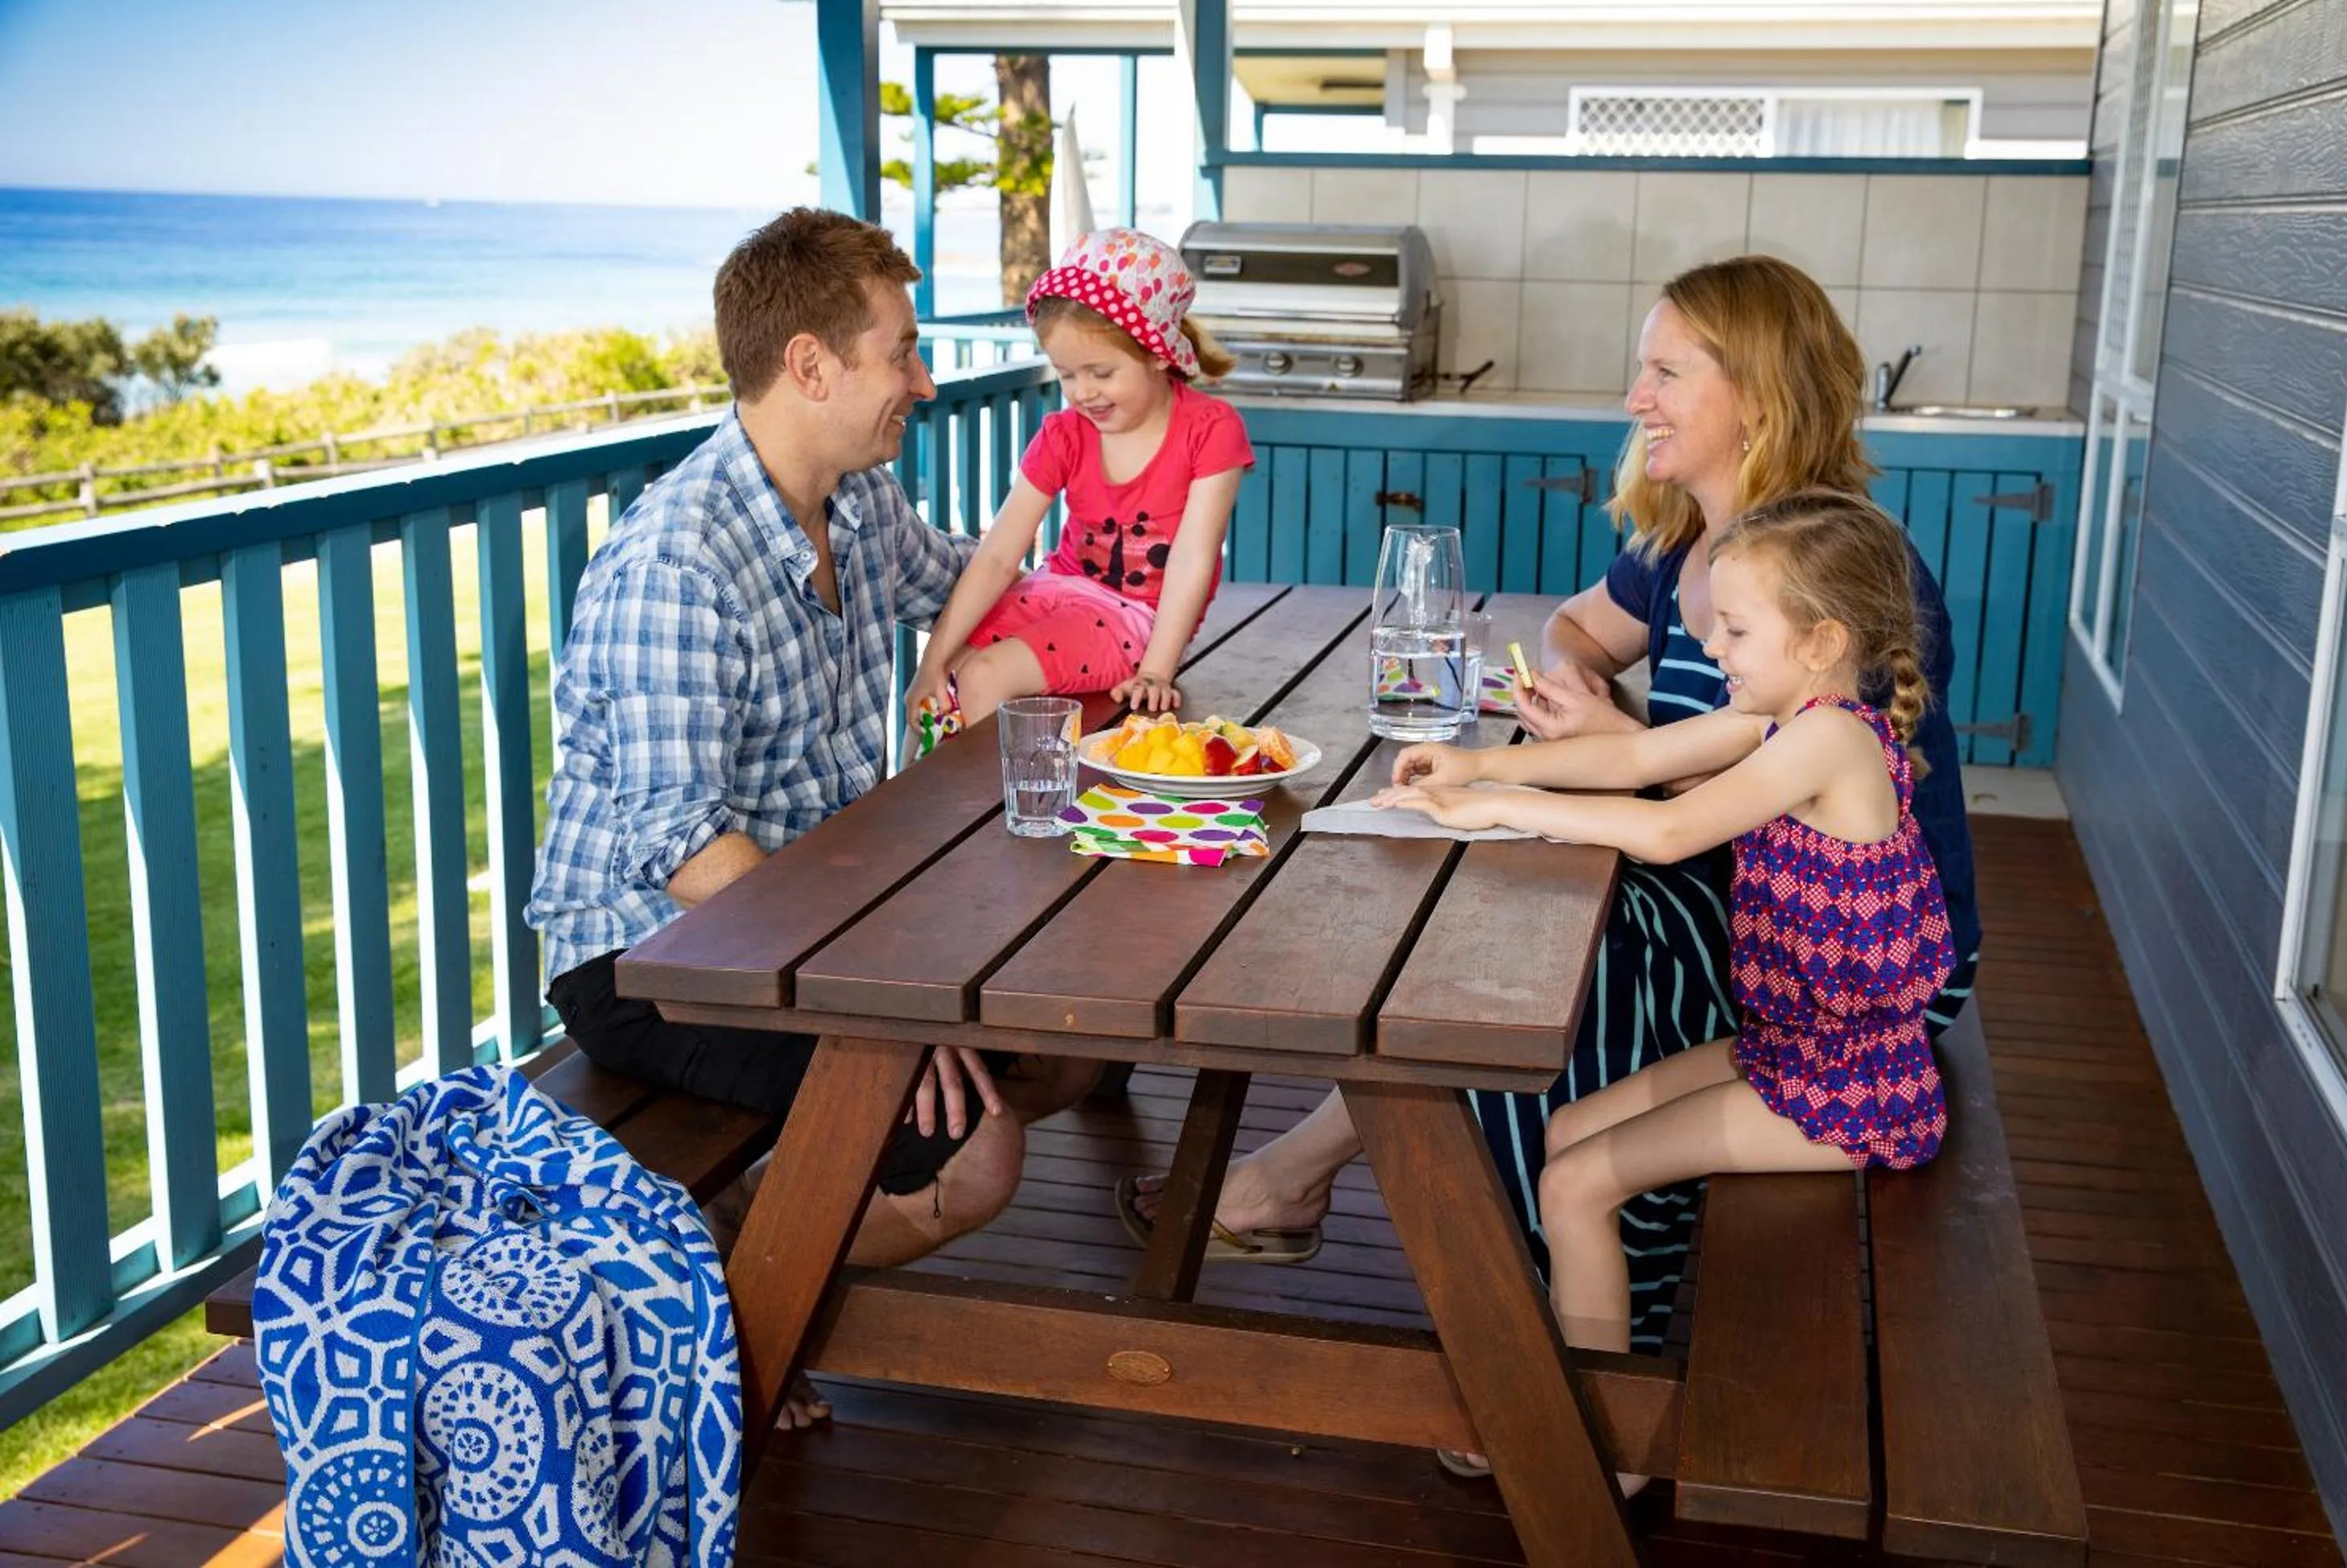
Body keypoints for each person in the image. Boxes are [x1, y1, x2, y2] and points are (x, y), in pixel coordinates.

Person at [1118, 255, 1982, 1341]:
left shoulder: (1836, 578)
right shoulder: (1687, 549)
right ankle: (1516, 1277)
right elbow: (1579, 638)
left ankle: (1561, 1311)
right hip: (1741, 901)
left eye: (1664, 373)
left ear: (1757, 396)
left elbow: (1735, 806)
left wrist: (1612, 750)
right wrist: (1544, 733)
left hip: (1856, 974)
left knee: (1545, 954)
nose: (1635, 401)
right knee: (1512, 918)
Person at [526, 209, 1101, 1423]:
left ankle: (745, 1218)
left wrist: (1131, 619)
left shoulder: (853, 502)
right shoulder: (676, 565)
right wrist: (878, 997)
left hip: (817, 921)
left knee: (1069, 1039)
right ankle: (721, 1330)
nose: (924, 379)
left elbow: (979, 582)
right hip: (653, 956)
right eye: (900, 350)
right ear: (810, 365)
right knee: (982, 1153)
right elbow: (681, 852)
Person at [1379, 490, 1955, 1485]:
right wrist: (1474, 760)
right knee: (1565, 1135)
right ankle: (1575, 1365)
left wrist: (1499, 808)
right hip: (1788, 1045)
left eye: (1735, 628)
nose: (1713, 646)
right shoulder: (1791, 716)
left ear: (1821, 639)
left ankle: (1605, 1446)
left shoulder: (1829, 740)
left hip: (1850, 1086)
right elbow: (1641, 755)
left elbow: (1667, 827)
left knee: (1574, 1181)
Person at [905, 226, 1253, 735]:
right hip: (1054, 590)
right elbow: (1000, 554)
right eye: (1067, 375)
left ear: (1158, 352)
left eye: (1101, 372)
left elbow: (1193, 559)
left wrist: (1157, 669)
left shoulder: (1210, 430)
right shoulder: (1065, 434)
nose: (1083, 393)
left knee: (983, 677)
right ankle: (925, 809)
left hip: (1137, 616)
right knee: (942, 688)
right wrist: (929, 662)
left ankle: (996, 813)